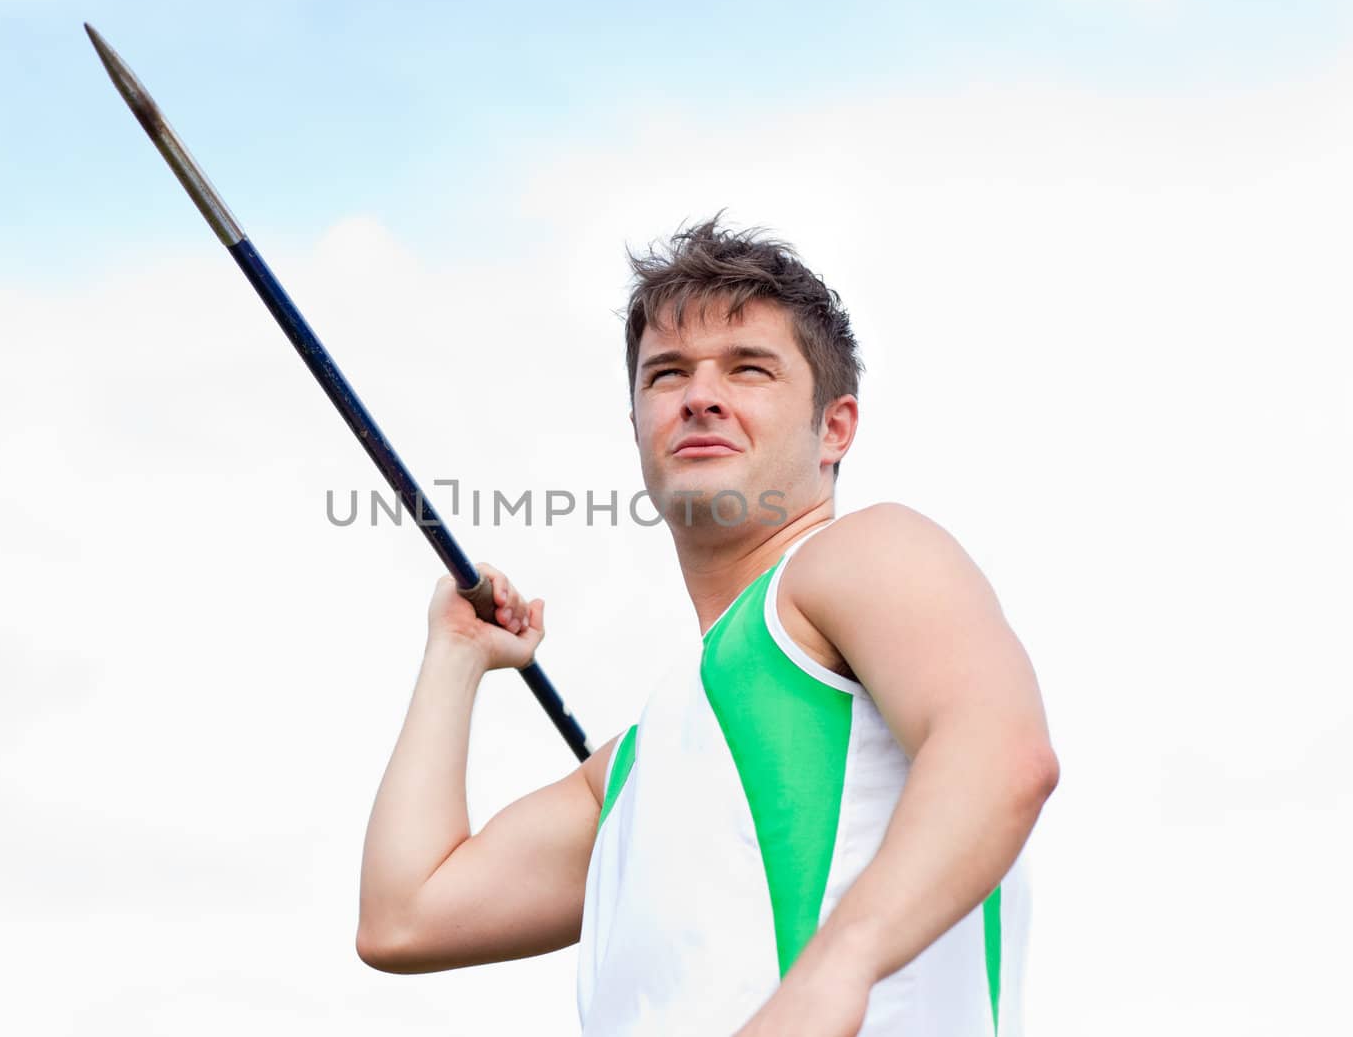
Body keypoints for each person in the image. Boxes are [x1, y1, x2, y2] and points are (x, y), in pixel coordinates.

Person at [355, 217, 1059, 1036]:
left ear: (834, 427)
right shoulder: (632, 764)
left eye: (748, 368)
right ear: (639, 430)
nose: (700, 395)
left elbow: (1003, 752)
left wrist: (835, 970)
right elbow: (405, 916)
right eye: (667, 374)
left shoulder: (861, 554)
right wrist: (456, 655)